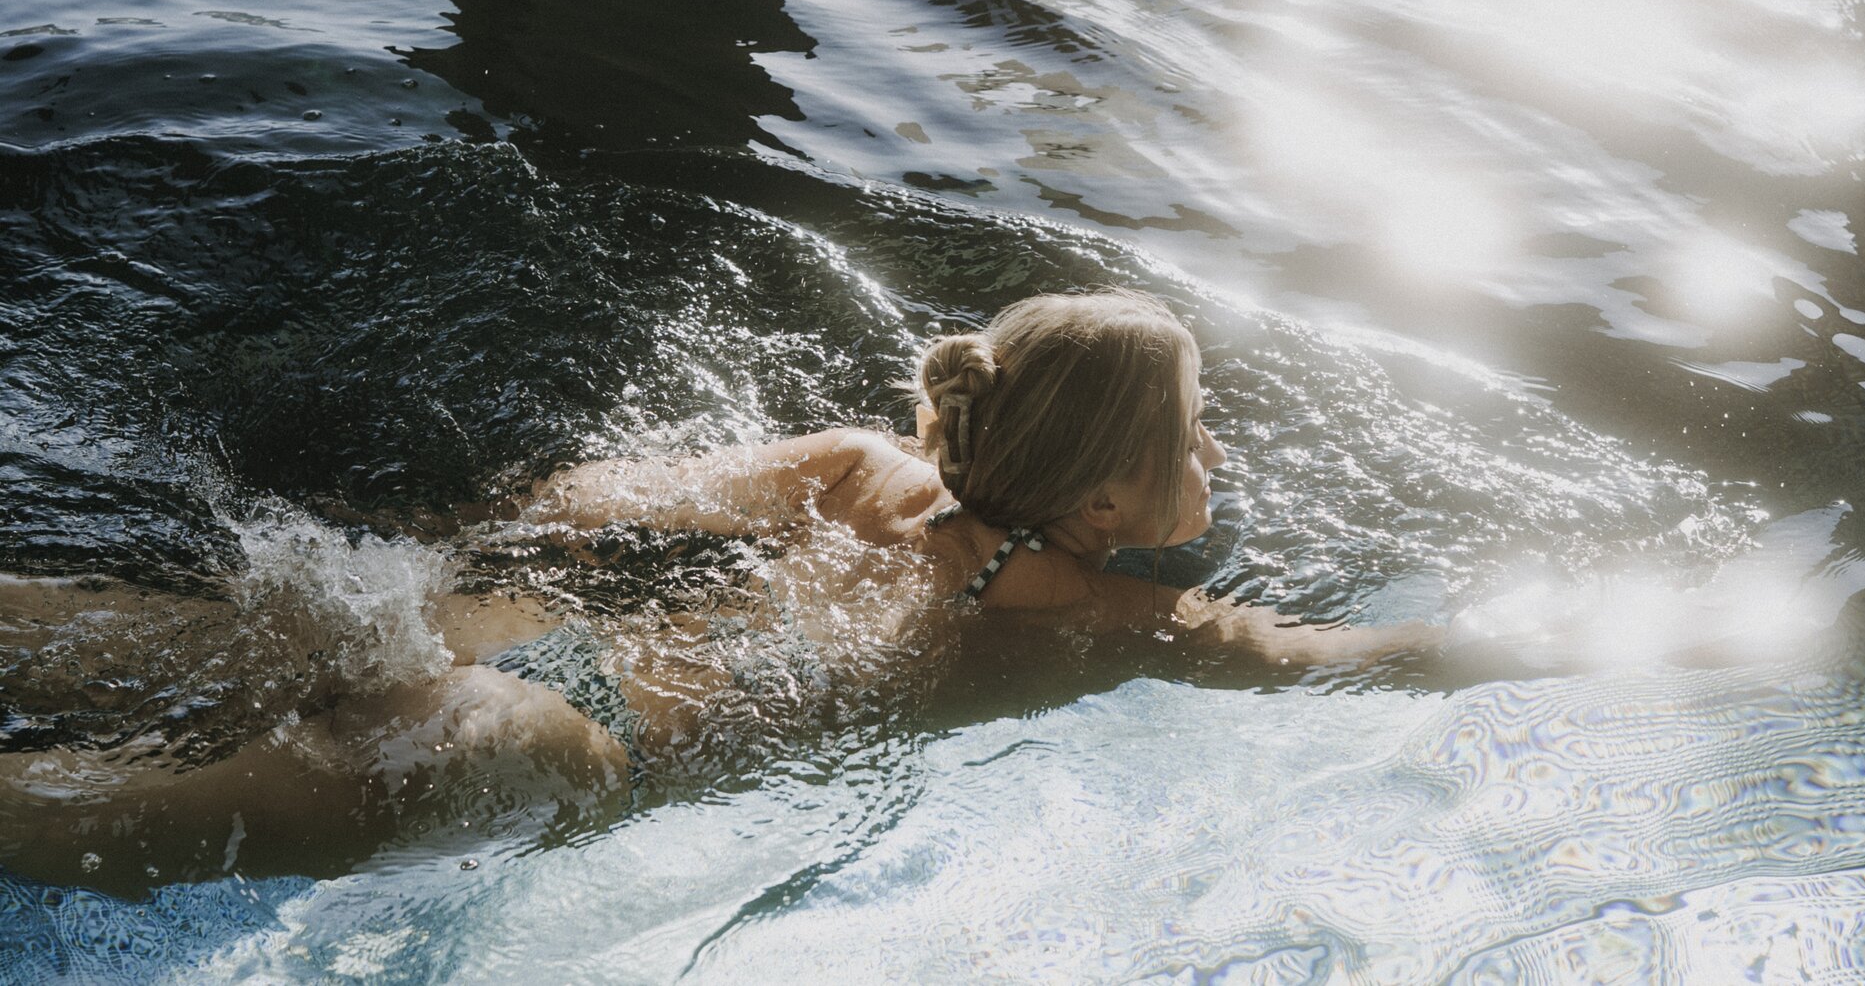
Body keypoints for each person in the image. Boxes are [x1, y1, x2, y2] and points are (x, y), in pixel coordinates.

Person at [0, 289, 1436, 894]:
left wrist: (441, 544)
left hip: (504, 632)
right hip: (565, 737)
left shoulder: (866, 470)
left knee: (146, 643)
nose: (1216, 447)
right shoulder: (1123, 624)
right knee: (82, 816)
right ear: (1105, 505)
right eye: (1191, 429)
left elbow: (573, 501)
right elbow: (1353, 654)